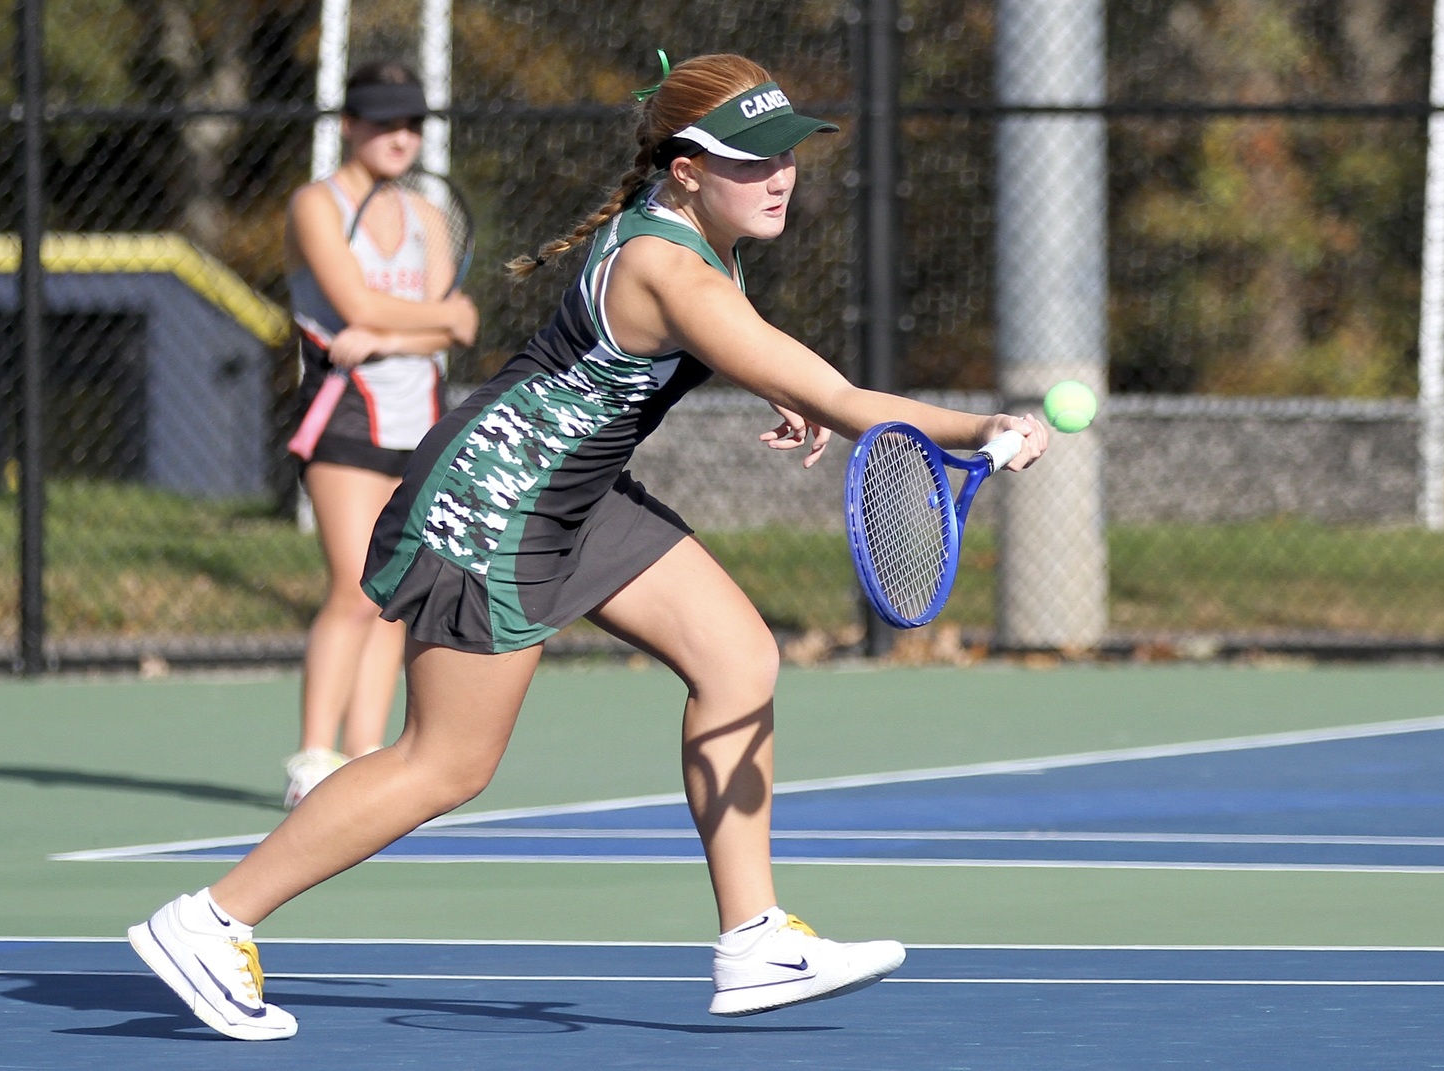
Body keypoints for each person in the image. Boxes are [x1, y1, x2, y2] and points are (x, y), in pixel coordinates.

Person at [127, 52, 1048, 1040]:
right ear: (686, 168)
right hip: (497, 503)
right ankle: (211, 921)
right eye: (752, 160)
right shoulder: (668, 263)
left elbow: (720, 348)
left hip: (578, 493)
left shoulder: (697, 230)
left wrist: (777, 383)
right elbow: (840, 394)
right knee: (446, 763)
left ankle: (755, 940)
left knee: (738, 657)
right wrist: (985, 427)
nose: (779, 176)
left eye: (787, 155)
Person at [280, 61, 479, 808]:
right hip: (345, 417)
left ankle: (364, 754)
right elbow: (350, 299)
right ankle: (313, 755)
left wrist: (385, 333)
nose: (401, 136)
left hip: (420, 418)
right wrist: (411, 323)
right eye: (384, 121)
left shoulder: (428, 216)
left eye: (412, 123)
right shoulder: (315, 204)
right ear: (348, 126)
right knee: (350, 586)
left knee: (391, 591)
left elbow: (462, 322)